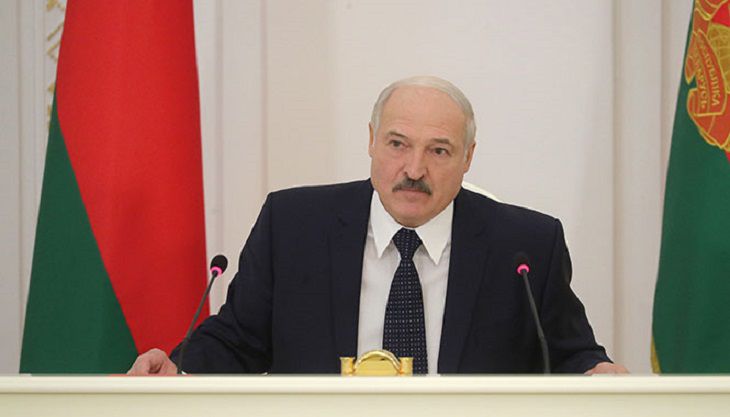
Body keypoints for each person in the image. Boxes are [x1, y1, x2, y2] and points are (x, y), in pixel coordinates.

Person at [129, 76, 627, 375]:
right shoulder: (294, 227)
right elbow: (238, 340)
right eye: (397, 144)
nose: (414, 168)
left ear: (468, 157)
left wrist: (596, 372)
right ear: (371, 141)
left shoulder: (525, 245)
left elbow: (568, 354)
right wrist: (180, 369)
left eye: (439, 150)